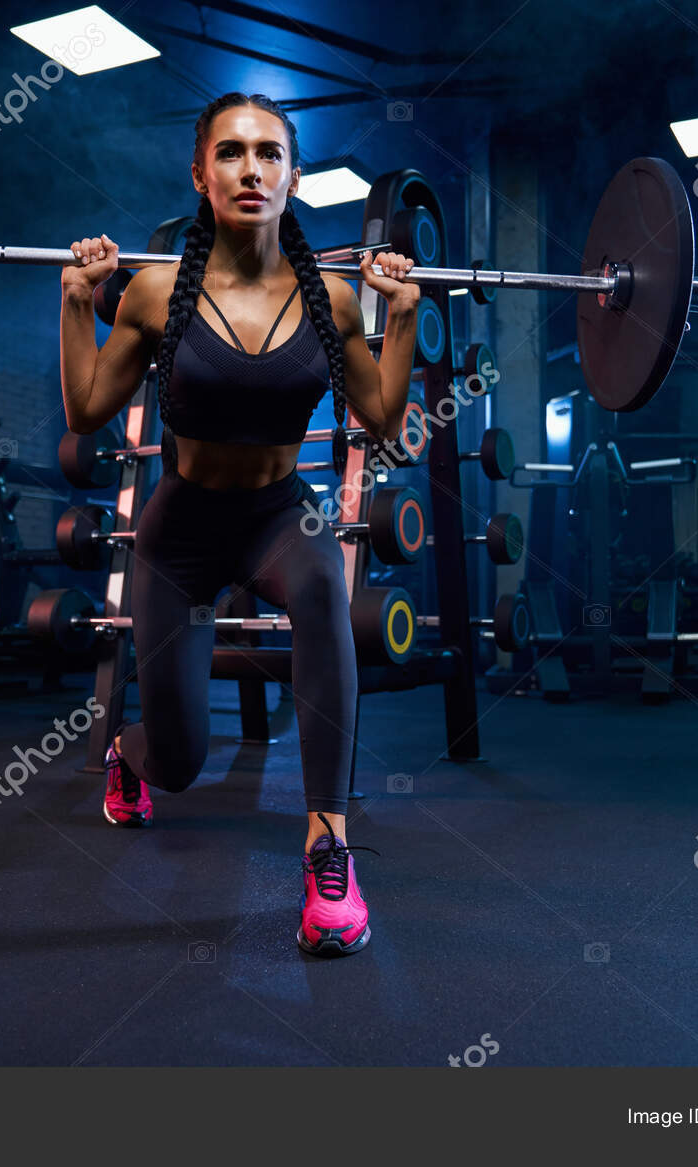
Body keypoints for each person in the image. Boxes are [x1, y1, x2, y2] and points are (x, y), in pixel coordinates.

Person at [59, 92, 419, 956]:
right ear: (201, 176)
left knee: (327, 596)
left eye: (268, 153)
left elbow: (379, 421)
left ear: (293, 177)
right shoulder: (151, 293)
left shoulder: (330, 300)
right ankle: (131, 753)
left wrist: (399, 321)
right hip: (180, 532)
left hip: (276, 516)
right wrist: (77, 301)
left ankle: (327, 850)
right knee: (180, 760)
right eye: (230, 153)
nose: (251, 168)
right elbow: (86, 406)